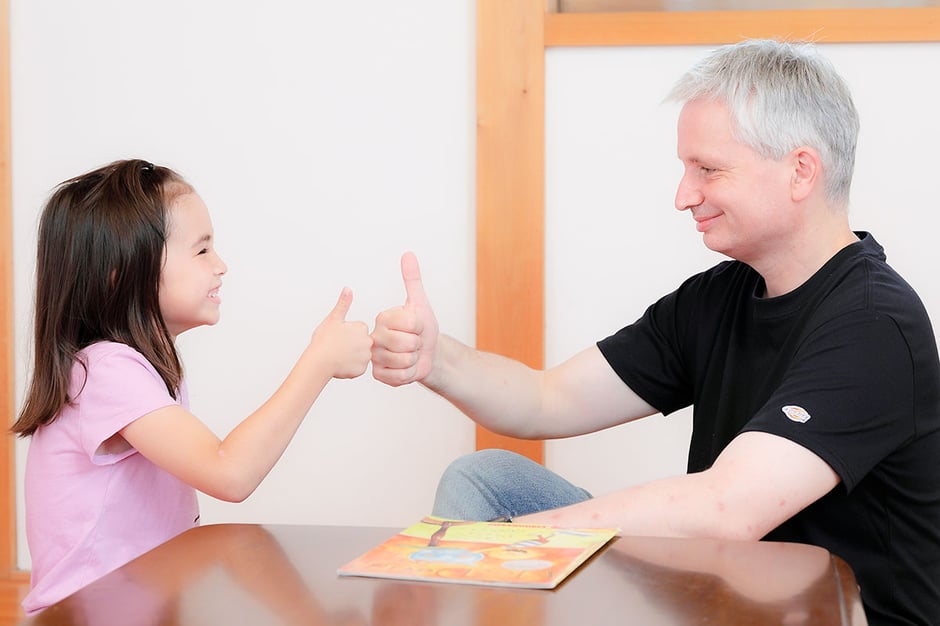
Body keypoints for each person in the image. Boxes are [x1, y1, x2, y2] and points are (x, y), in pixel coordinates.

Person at [370, 39, 940, 625]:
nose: (683, 196)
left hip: (831, 615)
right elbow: (546, 399)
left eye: (708, 169)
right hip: (721, 597)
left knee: (498, 527)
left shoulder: (875, 324)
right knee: (484, 479)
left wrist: (505, 544)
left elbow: (727, 508)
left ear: (800, 171)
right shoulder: (717, 298)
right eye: (685, 169)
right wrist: (435, 359)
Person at [12, 159, 373, 614]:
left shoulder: (141, 368)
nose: (220, 265)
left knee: (242, 545)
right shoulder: (104, 372)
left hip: (137, 610)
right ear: (122, 273)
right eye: (201, 251)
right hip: (82, 617)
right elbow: (230, 472)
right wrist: (318, 362)